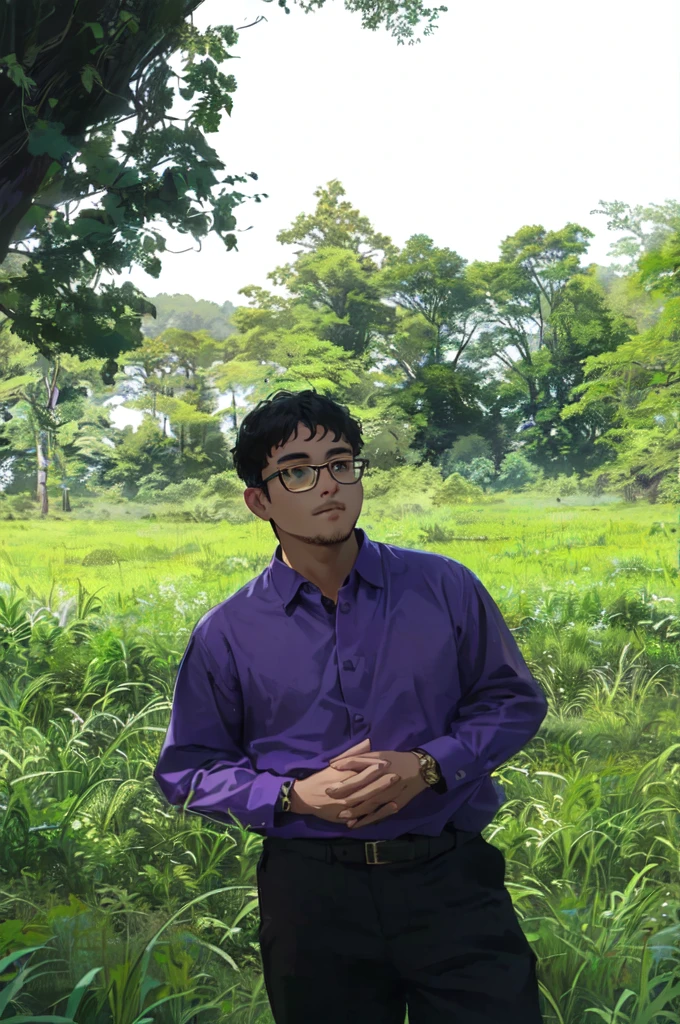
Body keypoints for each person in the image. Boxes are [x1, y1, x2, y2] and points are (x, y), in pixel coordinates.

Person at [153, 388, 548, 1024]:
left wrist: (427, 765)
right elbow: (186, 768)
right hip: (312, 898)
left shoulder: (444, 587)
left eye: (342, 463)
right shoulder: (226, 632)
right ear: (259, 500)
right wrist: (292, 797)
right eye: (299, 471)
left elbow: (512, 700)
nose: (329, 485)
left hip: (450, 878)